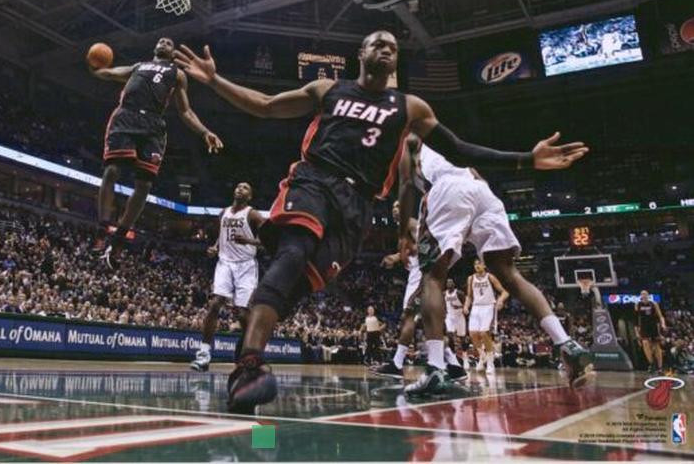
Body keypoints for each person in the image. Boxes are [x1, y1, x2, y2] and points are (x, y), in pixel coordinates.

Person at [174, 31, 587, 413]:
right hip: (314, 180)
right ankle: (249, 364)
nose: (385, 47)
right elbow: (264, 106)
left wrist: (525, 159)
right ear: (361, 54)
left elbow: (458, 149)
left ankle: (249, 346)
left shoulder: (411, 108)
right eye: (377, 43)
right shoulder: (328, 89)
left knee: (297, 286)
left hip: (359, 205)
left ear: (396, 60)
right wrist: (214, 81)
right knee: (292, 253)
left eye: (392, 44)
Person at [402, 140, 593, 397]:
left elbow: (406, 185)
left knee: (432, 277)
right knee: (508, 273)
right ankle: (566, 343)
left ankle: (435, 368)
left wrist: (405, 228)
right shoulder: (440, 142)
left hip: (449, 188)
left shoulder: (406, 139)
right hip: (483, 192)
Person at [91, 37, 223, 267]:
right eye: (161, 41)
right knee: (111, 170)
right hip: (126, 117)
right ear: (155, 48)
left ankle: (120, 236)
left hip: (153, 124)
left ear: (172, 53)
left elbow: (186, 111)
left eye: (169, 43)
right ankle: (102, 228)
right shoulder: (138, 67)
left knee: (144, 184)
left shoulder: (177, 74)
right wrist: (95, 68)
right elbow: (110, 73)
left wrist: (204, 132)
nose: (164, 42)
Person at [375, 201, 466, 381]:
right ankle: (455, 366)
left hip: (420, 275)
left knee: (407, 317)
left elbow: (427, 247)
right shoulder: (404, 228)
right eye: (393, 207)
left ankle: (397, 364)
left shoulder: (411, 223)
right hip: (418, 274)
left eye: (399, 206)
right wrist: (397, 257)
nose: (394, 210)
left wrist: (402, 257)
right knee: (430, 325)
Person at [191, 182, 264, 371]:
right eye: (239, 186)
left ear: (249, 197)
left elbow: (268, 242)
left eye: (246, 188)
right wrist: (215, 247)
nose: (240, 189)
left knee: (242, 313)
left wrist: (248, 241)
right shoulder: (223, 213)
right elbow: (222, 235)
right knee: (215, 303)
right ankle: (204, 354)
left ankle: (248, 351)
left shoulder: (253, 215)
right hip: (224, 263)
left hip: (246, 266)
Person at [464, 259, 508, 375]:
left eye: (479, 263)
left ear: (484, 265)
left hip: (488, 306)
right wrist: (466, 306)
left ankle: (490, 362)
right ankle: (482, 356)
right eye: (475, 264)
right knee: (472, 333)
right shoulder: (471, 278)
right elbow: (469, 296)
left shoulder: (490, 277)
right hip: (476, 306)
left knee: (484, 333)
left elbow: (504, 292)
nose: (477, 266)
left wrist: (500, 300)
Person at [635, 290, 666, 373]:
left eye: (645, 294)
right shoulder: (638, 305)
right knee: (645, 344)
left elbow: (660, 316)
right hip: (644, 327)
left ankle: (660, 367)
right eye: (642, 294)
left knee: (656, 346)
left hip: (653, 326)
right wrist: (636, 332)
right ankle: (651, 363)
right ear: (641, 296)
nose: (644, 295)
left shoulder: (654, 304)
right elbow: (636, 319)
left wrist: (663, 324)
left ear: (648, 295)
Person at [444, 278, 469, 368]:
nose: (449, 284)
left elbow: (467, 303)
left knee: (462, 338)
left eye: (451, 282)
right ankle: (453, 357)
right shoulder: (444, 294)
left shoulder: (459, 293)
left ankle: (465, 357)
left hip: (459, 317)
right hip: (449, 317)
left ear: (454, 284)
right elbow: (443, 304)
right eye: (447, 282)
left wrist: (459, 306)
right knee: (449, 335)